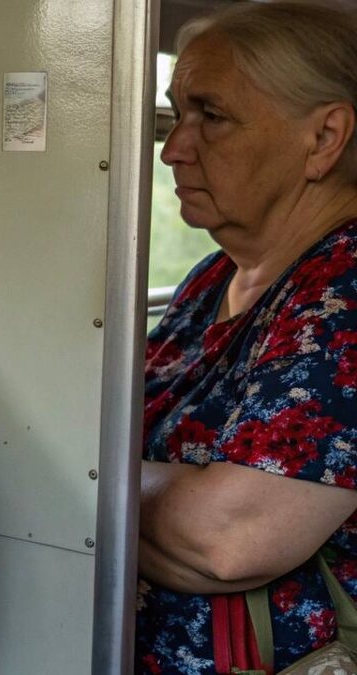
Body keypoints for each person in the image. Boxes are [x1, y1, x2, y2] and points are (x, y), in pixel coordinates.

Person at [137, 2, 357, 673]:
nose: (174, 148)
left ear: (324, 138)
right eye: (177, 114)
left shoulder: (344, 289)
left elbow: (228, 539)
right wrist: (168, 493)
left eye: (211, 115)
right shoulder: (214, 277)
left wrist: (92, 481)